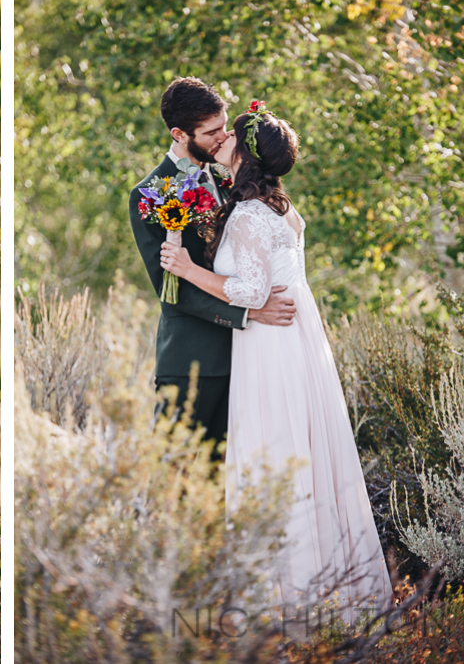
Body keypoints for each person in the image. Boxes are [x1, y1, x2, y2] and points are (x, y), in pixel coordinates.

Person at [157, 105, 392, 619]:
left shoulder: (246, 216)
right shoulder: (282, 206)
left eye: (227, 137)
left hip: (268, 347)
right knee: (300, 455)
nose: (219, 141)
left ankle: (283, 603)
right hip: (297, 346)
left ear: (243, 151)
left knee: (271, 456)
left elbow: (251, 290)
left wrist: (186, 268)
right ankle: (322, 591)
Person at [128, 78, 298, 457]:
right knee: (178, 479)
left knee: (231, 481)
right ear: (179, 133)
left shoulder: (228, 177)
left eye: (224, 126)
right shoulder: (150, 193)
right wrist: (249, 311)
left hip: (249, 357)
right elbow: (174, 289)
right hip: (194, 363)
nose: (224, 137)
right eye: (212, 132)